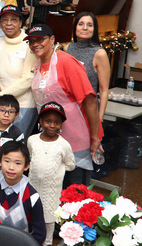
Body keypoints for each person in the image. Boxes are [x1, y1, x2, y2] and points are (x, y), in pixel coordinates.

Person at [25, 24, 100, 186]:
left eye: (40, 39)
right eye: (31, 41)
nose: (35, 44)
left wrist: (95, 137)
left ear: (52, 39)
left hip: (74, 135)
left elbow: (90, 100)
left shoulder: (66, 62)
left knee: (74, 190)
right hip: (50, 137)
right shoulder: (38, 66)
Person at [0, 141, 46, 245]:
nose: (11, 167)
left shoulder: (31, 196)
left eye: (17, 163)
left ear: (26, 166)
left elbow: (39, 233)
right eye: (7, 161)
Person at [0, 5, 38, 136]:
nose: (8, 24)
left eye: (13, 20)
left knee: (16, 146)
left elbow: (28, 79)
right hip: (0, 105)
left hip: (24, 104)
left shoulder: (29, 43)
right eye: (4, 20)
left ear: (20, 22)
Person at [27, 102, 75, 246]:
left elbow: (70, 164)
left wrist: (56, 171)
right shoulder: (32, 140)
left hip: (51, 194)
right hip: (33, 190)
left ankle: (47, 243)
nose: (52, 126)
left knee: (48, 223)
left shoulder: (64, 145)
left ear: (61, 125)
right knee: (31, 219)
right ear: (41, 121)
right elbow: (29, 158)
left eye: (57, 122)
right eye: (48, 121)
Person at [65, 12, 111, 121]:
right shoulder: (67, 49)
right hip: (67, 108)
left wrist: (99, 119)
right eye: (81, 24)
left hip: (88, 111)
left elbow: (104, 90)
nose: (85, 28)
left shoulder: (99, 53)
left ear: (94, 29)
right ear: (75, 27)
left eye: (89, 25)